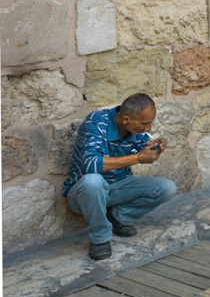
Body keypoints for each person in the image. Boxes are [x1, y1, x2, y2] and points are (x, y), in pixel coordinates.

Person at [62, 93, 177, 260]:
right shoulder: (96, 123)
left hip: (119, 187)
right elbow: (91, 164)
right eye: (145, 123)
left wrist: (153, 150)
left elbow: (143, 154)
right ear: (125, 120)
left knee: (167, 188)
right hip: (85, 193)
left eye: (151, 122)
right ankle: (100, 237)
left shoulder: (136, 129)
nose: (149, 128)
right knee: (93, 181)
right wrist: (138, 158)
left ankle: (118, 217)